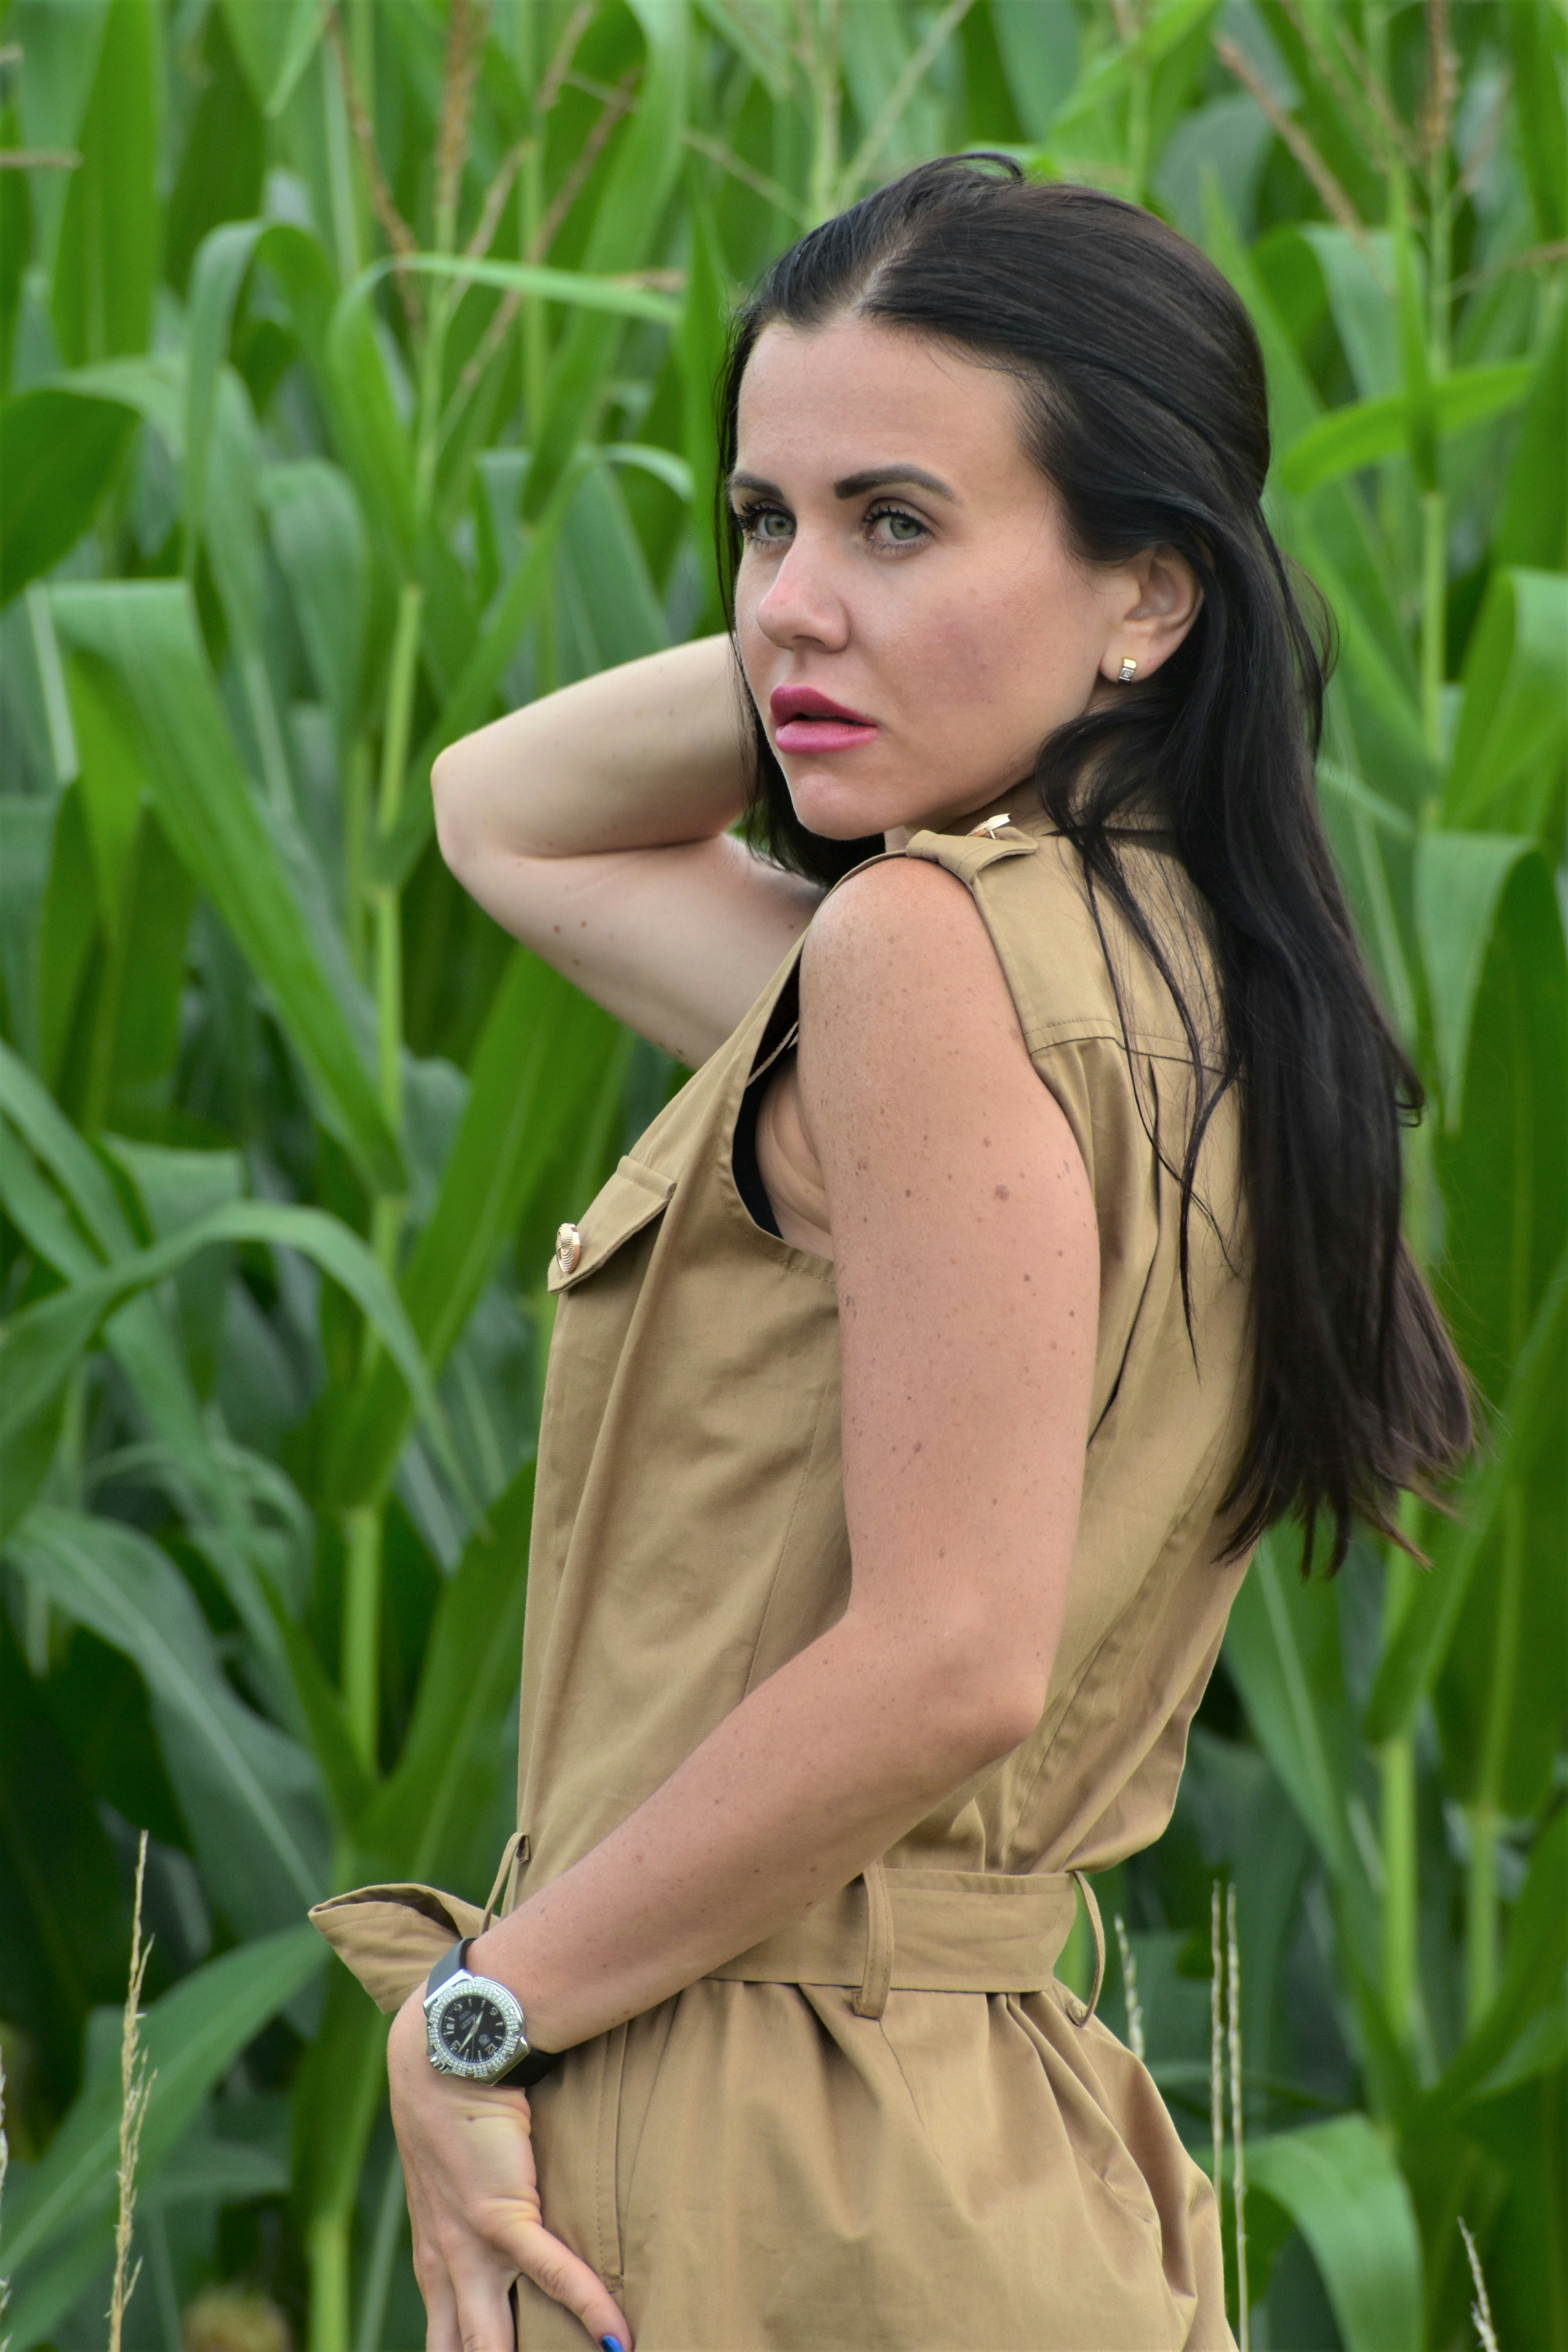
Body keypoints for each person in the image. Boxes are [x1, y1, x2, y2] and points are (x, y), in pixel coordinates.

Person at [312, 159, 1470, 2352]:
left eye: (899, 520)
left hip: (762, 2152)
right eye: (765, 523)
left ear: (1154, 594)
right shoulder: (1203, 983)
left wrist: (479, 2011)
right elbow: (503, 811)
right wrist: (875, 642)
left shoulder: (921, 958)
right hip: (982, 2154)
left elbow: (954, 1654)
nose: (791, 601)